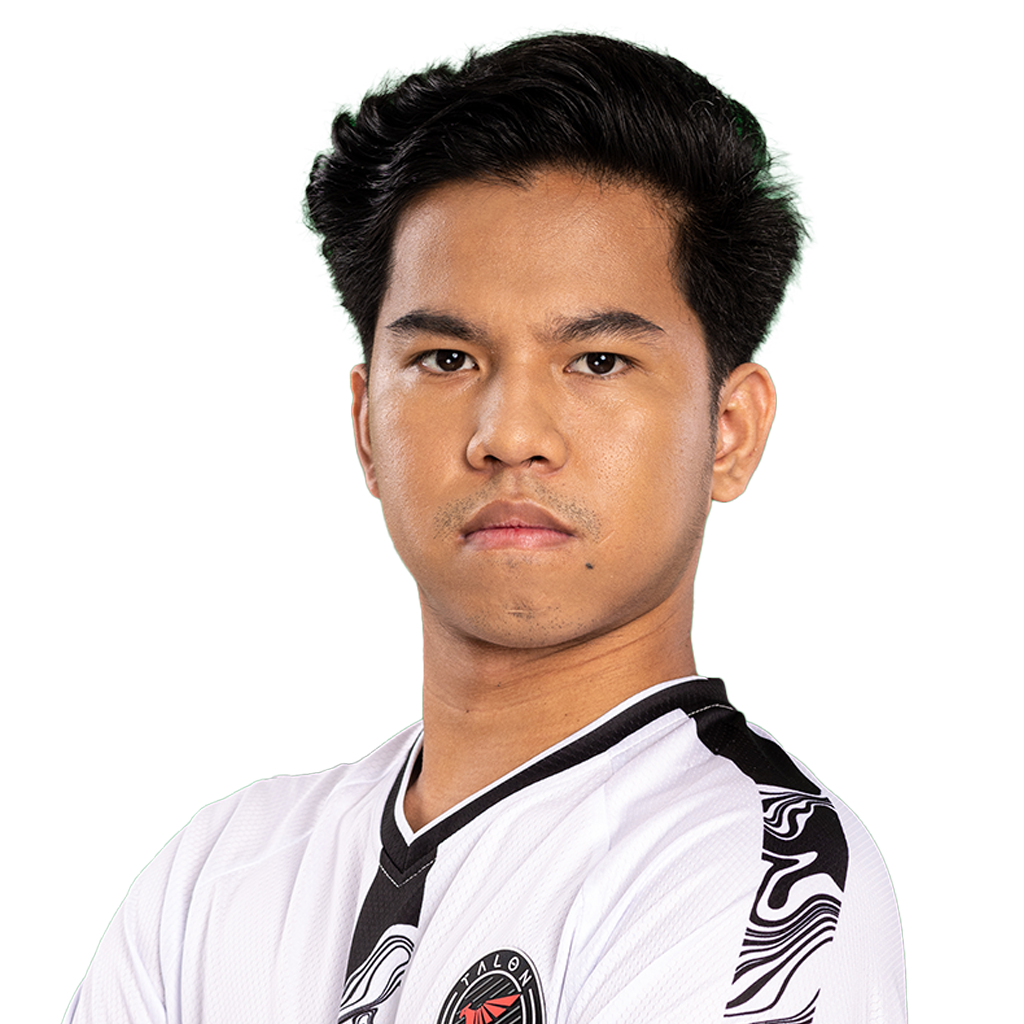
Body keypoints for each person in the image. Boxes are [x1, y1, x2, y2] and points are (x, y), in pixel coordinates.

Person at [64, 31, 907, 1023]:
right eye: (446, 360)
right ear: (365, 426)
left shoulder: (761, 868)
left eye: (597, 361)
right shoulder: (217, 870)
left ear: (729, 432)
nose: (509, 436)